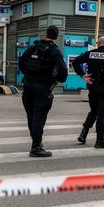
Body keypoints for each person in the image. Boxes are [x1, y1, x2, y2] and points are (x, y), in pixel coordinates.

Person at [18, 25, 68, 157]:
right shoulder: (54, 50)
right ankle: (36, 147)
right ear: (56, 37)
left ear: (45, 34)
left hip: (28, 87)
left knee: (32, 117)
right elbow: (63, 70)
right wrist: (57, 80)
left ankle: (36, 143)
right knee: (39, 118)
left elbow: (21, 62)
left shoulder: (33, 47)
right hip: (42, 88)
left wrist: (28, 75)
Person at [72, 36, 104, 148]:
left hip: (92, 88)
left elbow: (75, 62)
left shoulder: (90, 54)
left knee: (94, 111)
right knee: (102, 113)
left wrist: (83, 75)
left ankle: (83, 133)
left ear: (98, 43)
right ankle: (100, 140)